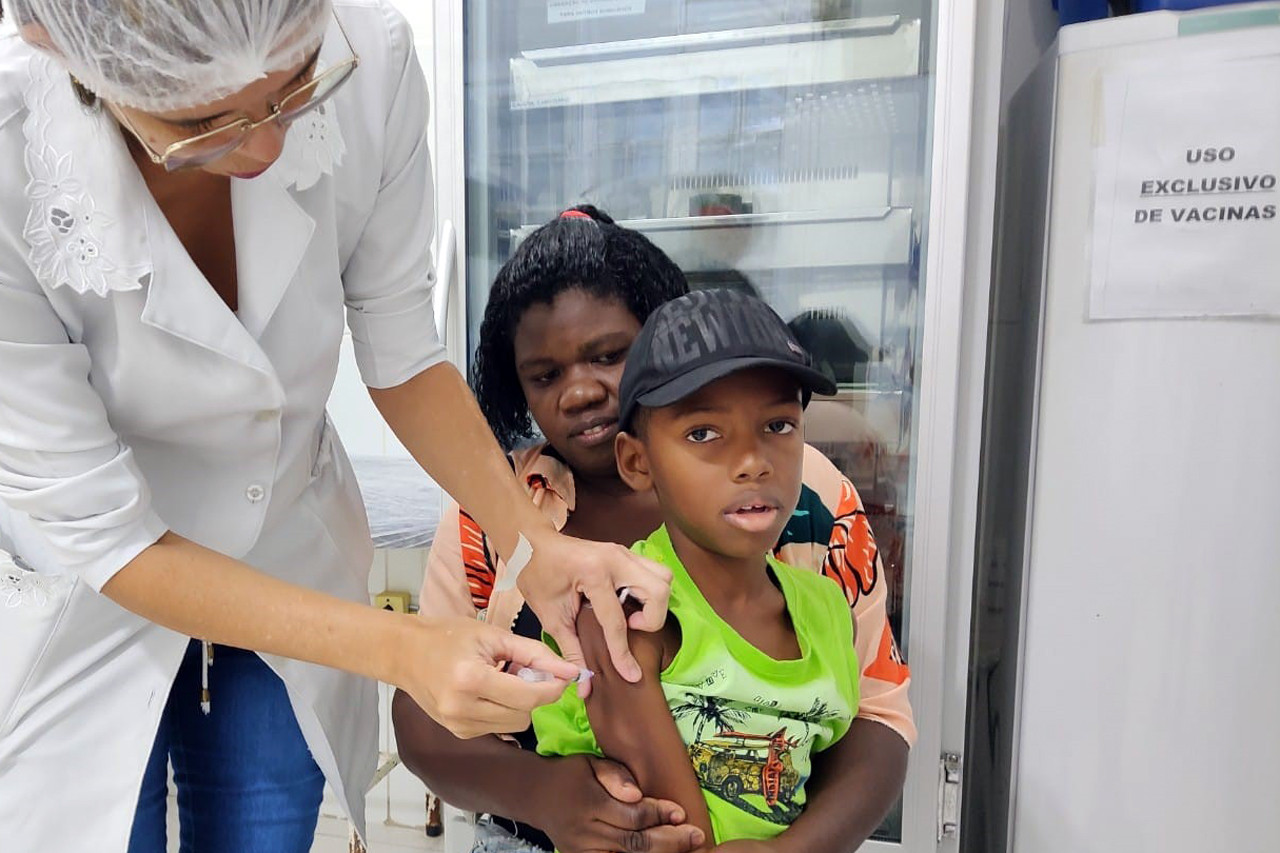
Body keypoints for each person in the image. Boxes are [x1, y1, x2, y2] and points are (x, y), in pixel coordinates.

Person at [0, 4, 669, 852]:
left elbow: (402, 350)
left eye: (296, 86)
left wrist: (531, 540)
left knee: (264, 827)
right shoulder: (9, 149)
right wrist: (403, 649)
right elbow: (107, 534)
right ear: (56, 48)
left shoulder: (373, 52)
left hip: (286, 534)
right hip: (91, 588)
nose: (266, 148)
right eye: (200, 123)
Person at [393, 207, 914, 853]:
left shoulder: (805, 493)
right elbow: (423, 710)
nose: (580, 391)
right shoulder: (489, 513)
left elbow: (877, 710)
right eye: (545, 375)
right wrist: (542, 794)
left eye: (610, 354)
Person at [534, 287, 860, 849]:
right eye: (703, 433)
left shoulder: (826, 611)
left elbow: (828, 777)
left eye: (778, 426)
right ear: (638, 463)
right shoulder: (621, 612)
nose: (753, 461)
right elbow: (680, 836)